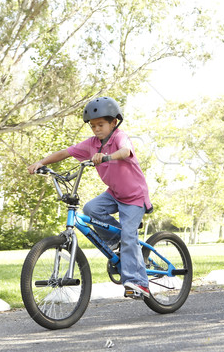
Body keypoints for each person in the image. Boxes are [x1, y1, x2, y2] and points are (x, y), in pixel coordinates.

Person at [27, 96, 153, 299]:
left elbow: (125, 150)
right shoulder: (92, 144)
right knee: (91, 209)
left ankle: (139, 283)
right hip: (114, 194)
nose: (96, 129)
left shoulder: (119, 137)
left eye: (101, 125)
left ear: (114, 122)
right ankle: (118, 242)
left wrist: (107, 157)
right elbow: (65, 153)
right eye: (93, 126)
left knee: (129, 236)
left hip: (134, 196)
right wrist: (40, 162)